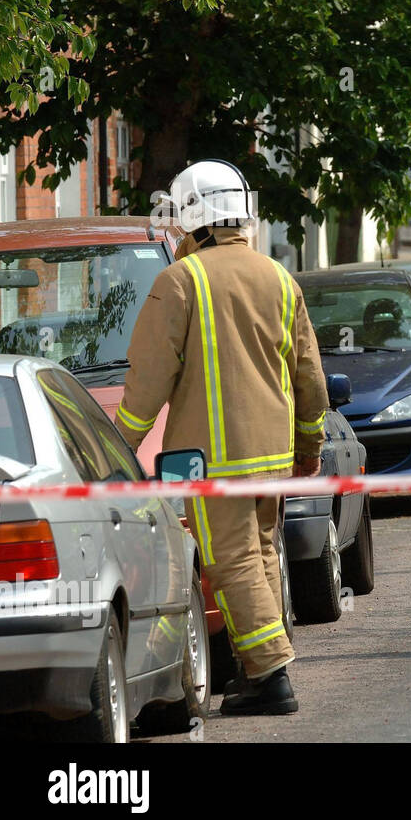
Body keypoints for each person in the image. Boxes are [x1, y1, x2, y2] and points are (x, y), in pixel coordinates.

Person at [114, 159, 328, 715]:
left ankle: (271, 675)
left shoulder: (180, 281)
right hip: (274, 454)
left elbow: (148, 379)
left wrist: (117, 446)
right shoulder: (279, 278)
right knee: (258, 554)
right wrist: (310, 449)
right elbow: (309, 375)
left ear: (194, 216)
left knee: (230, 560)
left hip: (212, 459)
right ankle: (258, 668)